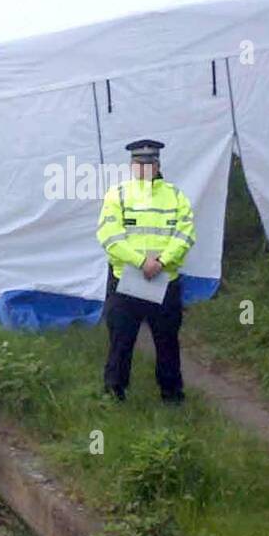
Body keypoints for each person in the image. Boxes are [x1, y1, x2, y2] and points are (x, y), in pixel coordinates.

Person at [95, 139, 196, 404]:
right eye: (140, 163)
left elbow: (185, 235)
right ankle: (114, 393)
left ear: (158, 164)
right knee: (121, 340)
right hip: (125, 281)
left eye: (150, 163)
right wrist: (142, 263)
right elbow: (109, 236)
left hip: (165, 281)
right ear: (131, 166)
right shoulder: (117, 195)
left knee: (167, 342)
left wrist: (161, 262)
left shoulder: (175, 196)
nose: (145, 167)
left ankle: (172, 395)